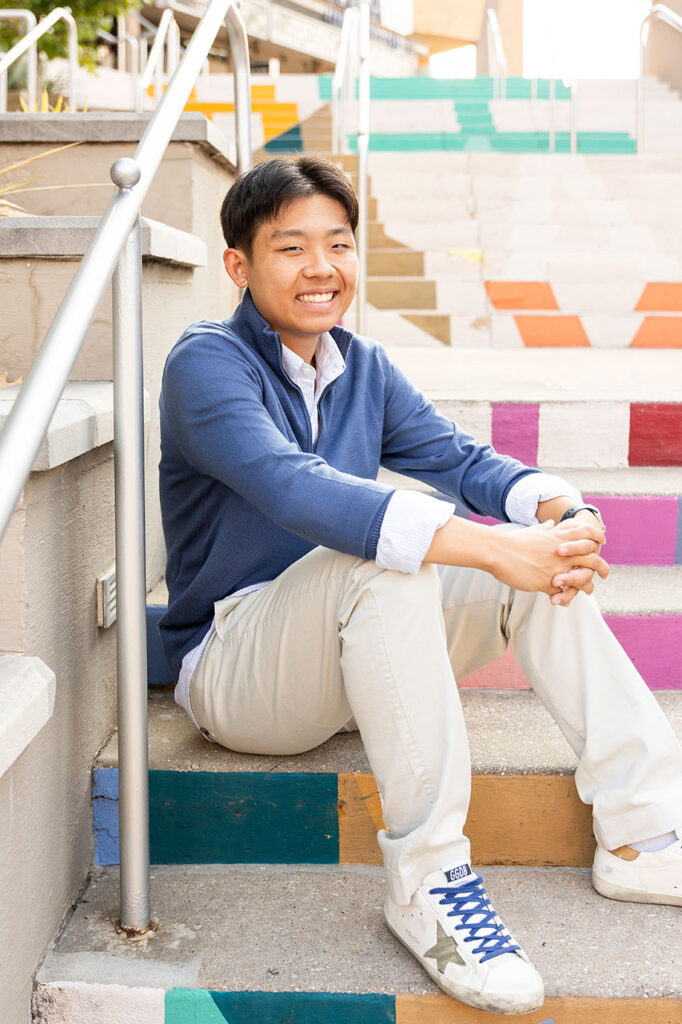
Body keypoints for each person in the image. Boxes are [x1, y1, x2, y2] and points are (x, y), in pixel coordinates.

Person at [158, 156, 682, 1015]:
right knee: (386, 555)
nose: (322, 267)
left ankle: (643, 833)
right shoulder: (206, 364)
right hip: (236, 666)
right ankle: (427, 884)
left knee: (535, 568)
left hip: (344, 651)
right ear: (238, 266)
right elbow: (294, 487)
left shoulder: (360, 365)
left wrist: (557, 512)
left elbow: (460, 460)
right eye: (292, 247)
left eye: (338, 244)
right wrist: (492, 551)